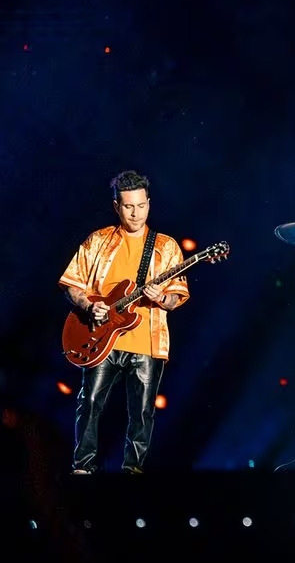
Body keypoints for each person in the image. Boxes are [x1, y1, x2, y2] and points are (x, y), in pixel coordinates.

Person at [58, 170, 190, 474]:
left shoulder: (166, 246)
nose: (136, 213)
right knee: (89, 403)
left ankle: (133, 472)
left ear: (149, 203)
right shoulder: (99, 241)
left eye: (141, 206)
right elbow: (71, 284)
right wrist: (90, 305)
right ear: (117, 206)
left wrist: (160, 298)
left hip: (146, 340)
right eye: (129, 206)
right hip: (101, 337)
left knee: (142, 412)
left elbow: (177, 297)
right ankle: (83, 467)